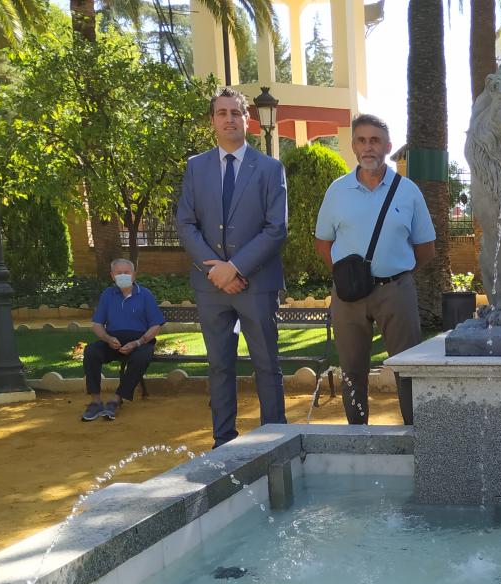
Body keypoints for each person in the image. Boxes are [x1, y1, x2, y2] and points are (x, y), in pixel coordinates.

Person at [175, 86, 288, 448]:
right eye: (221, 113)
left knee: (267, 365)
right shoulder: (196, 167)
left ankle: (274, 439)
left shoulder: (270, 169)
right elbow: (186, 224)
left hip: (256, 284)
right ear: (212, 121)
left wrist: (236, 268)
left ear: (247, 120)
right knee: (220, 366)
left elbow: (276, 228)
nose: (228, 119)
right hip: (211, 287)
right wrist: (217, 271)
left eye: (235, 113)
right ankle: (223, 442)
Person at [314, 114, 436, 425]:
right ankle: (358, 435)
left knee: (408, 367)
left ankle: (414, 432)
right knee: (352, 370)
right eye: (362, 140)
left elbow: (426, 249)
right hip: (349, 296)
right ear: (353, 145)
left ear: (387, 146)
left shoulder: (408, 192)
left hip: (396, 292)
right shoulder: (337, 191)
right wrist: (347, 277)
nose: (368, 147)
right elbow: (323, 243)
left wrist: (396, 275)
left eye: (375, 140)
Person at [80, 259, 165, 422]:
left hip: (140, 341)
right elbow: (97, 325)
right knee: (91, 351)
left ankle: (116, 398)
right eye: (119, 273)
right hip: (113, 341)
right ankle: (95, 402)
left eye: (127, 272)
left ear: (134, 275)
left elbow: (156, 326)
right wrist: (107, 338)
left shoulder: (145, 294)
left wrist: (138, 342)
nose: (123, 275)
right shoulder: (107, 295)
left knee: (142, 357)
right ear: (112, 276)